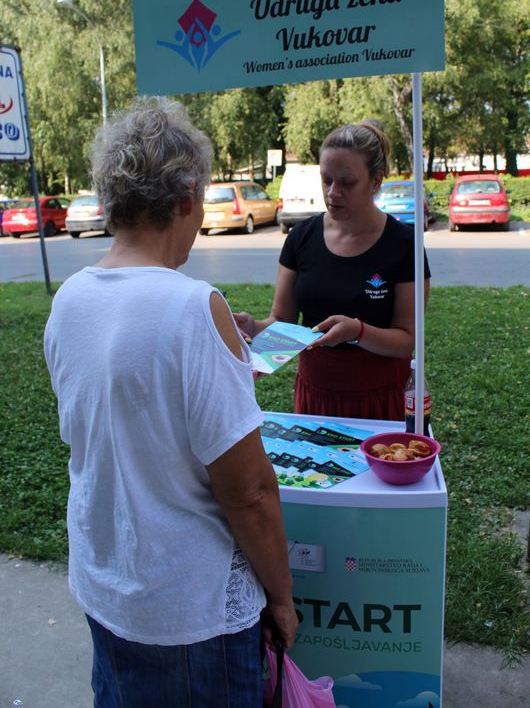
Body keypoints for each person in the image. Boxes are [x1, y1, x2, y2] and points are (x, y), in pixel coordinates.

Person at [44, 98, 297, 708]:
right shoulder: (192, 307)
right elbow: (249, 492)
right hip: (188, 613)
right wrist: (282, 598)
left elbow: (114, 427)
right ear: (186, 196)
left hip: (106, 588)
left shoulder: (70, 299)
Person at [235, 121, 431, 421]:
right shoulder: (301, 237)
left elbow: (408, 339)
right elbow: (283, 321)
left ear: (376, 181)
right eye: (326, 180)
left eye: (347, 183)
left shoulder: (404, 244)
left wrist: (358, 331)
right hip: (316, 395)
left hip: (380, 399)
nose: (332, 192)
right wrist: (255, 328)